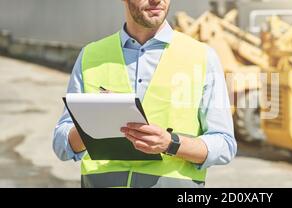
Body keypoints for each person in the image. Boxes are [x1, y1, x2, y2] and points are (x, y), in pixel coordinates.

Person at [53, 0, 236, 188]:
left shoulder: (203, 57)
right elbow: (61, 144)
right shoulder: (90, 56)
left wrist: (170, 144)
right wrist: (94, 123)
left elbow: (224, 144)